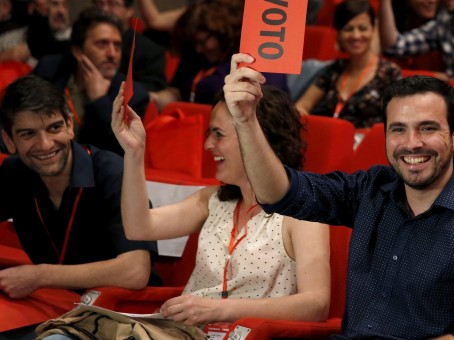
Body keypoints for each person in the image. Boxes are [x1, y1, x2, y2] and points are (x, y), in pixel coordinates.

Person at [224, 53, 454, 339]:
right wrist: (246, 120)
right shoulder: (371, 188)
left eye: (427, 128)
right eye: (398, 130)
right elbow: (281, 194)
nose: (411, 143)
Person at [103, 82, 331, 326]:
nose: (207, 144)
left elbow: (316, 304)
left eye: (218, 134)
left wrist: (220, 310)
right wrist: (134, 153)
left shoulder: (302, 212)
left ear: (257, 137)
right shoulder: (212, 199)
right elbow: (138, 227)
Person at [0, 75, 159, 337]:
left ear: (70, 125)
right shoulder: (15, 172)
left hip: (117, 315)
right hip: (51, 309)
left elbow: (135, 271)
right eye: (28, 134)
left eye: (54, 128)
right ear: (9, 141)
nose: (45, 144)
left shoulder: (112, 172)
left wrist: (39, 276)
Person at [32, 7, 149, 155]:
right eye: (102, 44)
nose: (112, 54)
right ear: (78, 51)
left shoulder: (133, 95)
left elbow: (118, 152)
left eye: (117, 46)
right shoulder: (50, 69)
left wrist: (99, 101)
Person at [150, 0, 288, 110]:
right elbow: (178, 92)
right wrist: (154, 98)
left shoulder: (249, 56)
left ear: (220, 32)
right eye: (195, 44)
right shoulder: (195, 55)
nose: (199, 50)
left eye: (202, 42)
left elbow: (267, 105)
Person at [295, 0, 401, 129]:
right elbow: (302, 106)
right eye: (348, 29)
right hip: (332, 140)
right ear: (338, 34)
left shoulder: (389, 72)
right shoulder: (335, 69)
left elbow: (398, 119)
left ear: (373, 30)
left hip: (368, 145)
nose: (356, 35)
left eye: (362, 28)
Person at [93, 0, 167, 92]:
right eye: (99, 3)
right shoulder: (84, 43)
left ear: (129, 10)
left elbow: (152, 93)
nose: (104, 9)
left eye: (112, 4)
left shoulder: (149, 51)